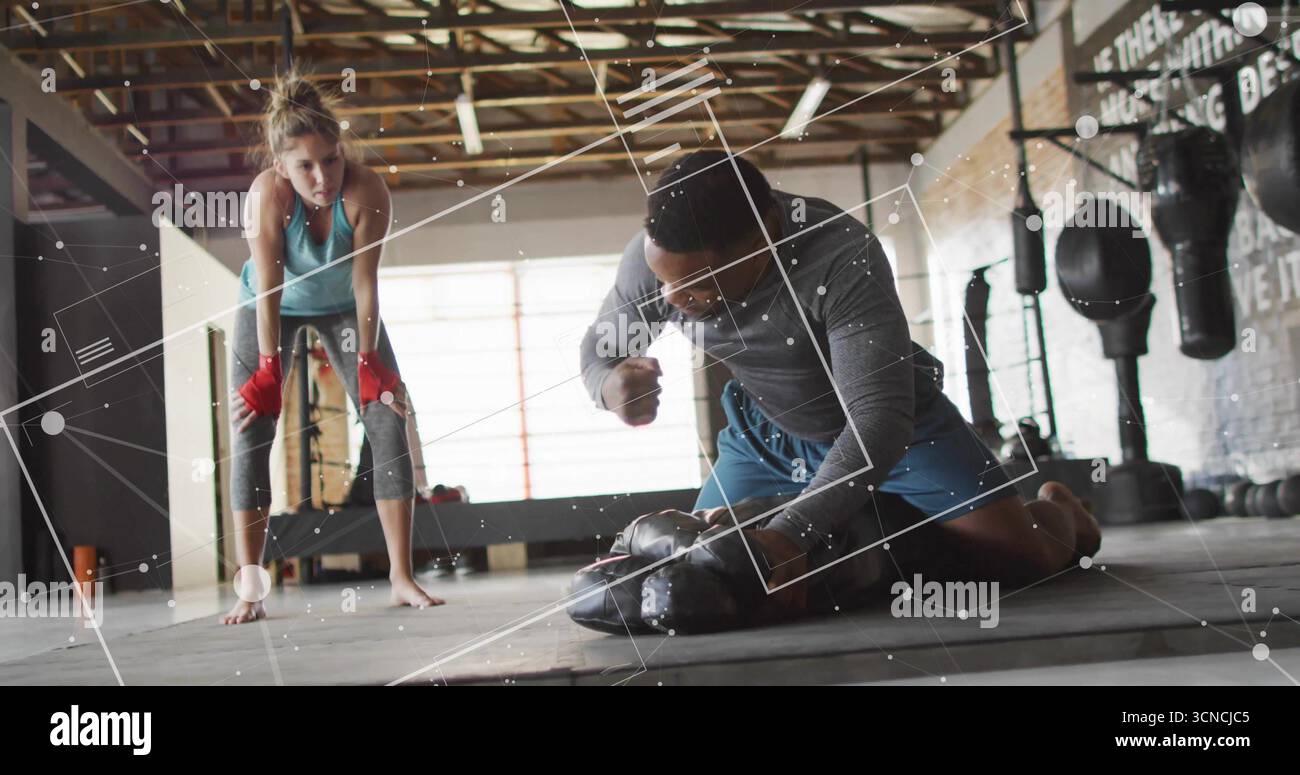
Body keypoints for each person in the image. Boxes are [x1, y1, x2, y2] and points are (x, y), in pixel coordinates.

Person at [579, 150, 1100, 611]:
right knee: (712, 570)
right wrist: (611, 386)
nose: (670, 298)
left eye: (693, 284)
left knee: (1022, 564)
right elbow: (601, 351)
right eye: (664, 280)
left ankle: (1063, 514)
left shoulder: (839, 256)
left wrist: (790, 534)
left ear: (763, 238)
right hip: (768, 435)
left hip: (901, 430)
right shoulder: (657, 260)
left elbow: (879, 421)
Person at [221, 68, 443, 624]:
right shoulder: (266, 197)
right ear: (281, 166)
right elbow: (269, 286)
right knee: (251, 426)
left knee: (388, 417)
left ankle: (399, 575)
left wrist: (369, 363)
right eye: (305, 165)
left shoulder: (367, 191)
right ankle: (250, 589)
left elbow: (366, 284)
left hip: (344, 305)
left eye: (332, 159)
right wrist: (269, 368)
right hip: (269, 306)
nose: (322, 176)